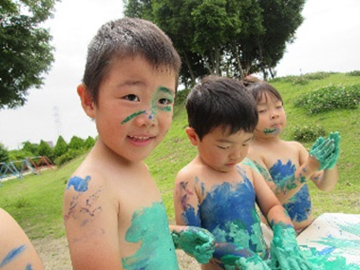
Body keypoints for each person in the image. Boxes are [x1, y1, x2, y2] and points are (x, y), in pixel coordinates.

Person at [63, 17, 214, 270]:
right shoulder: (89, 190)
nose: (149, 118)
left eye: (164, 100)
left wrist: (175, 235)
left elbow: (134, 232)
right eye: (132, 97)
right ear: (90, 100)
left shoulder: (137, 167)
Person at [174, 75, 312, 270]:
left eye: (246, 142)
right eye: (224, 146)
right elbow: (193, 240)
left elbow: (272, 205)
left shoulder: (246, 167)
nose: (236, 154)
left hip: (263, 264)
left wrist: (284, 232)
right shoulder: (189, 180)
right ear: (193, 136)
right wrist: (237, 254)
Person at [246, 81, 340, 234]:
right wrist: (308, 167)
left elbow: (325, 186)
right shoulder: (252, 153)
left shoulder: (295, 148)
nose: (274, 114)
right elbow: (272, 199)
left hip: (308, 230)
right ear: (246, 118)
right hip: (277, 235)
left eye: (278, 106)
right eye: (262, 110)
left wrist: (329, 164)